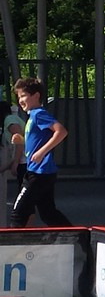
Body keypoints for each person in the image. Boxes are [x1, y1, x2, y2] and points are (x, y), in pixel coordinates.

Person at [9, 77, 72, 228]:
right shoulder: (33, 116)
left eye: (23, 96)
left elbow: (61, 131)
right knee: (48, 213)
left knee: (18, 213)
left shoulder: (38, 114)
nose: (20, 101)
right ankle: (77, 237)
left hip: (38, 173)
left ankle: (11, 243)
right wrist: (22, 140)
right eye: (18, 97)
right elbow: (37, 141)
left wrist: (42, 152)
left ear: (36, 96)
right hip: (42, 172)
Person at [0, 101, 25, 226]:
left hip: (24, 162)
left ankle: (21, 228)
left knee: (24, 201)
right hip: (23, 161)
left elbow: (19, 140)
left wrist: (16, 162)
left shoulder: (9, 120)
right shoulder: (12, 119)